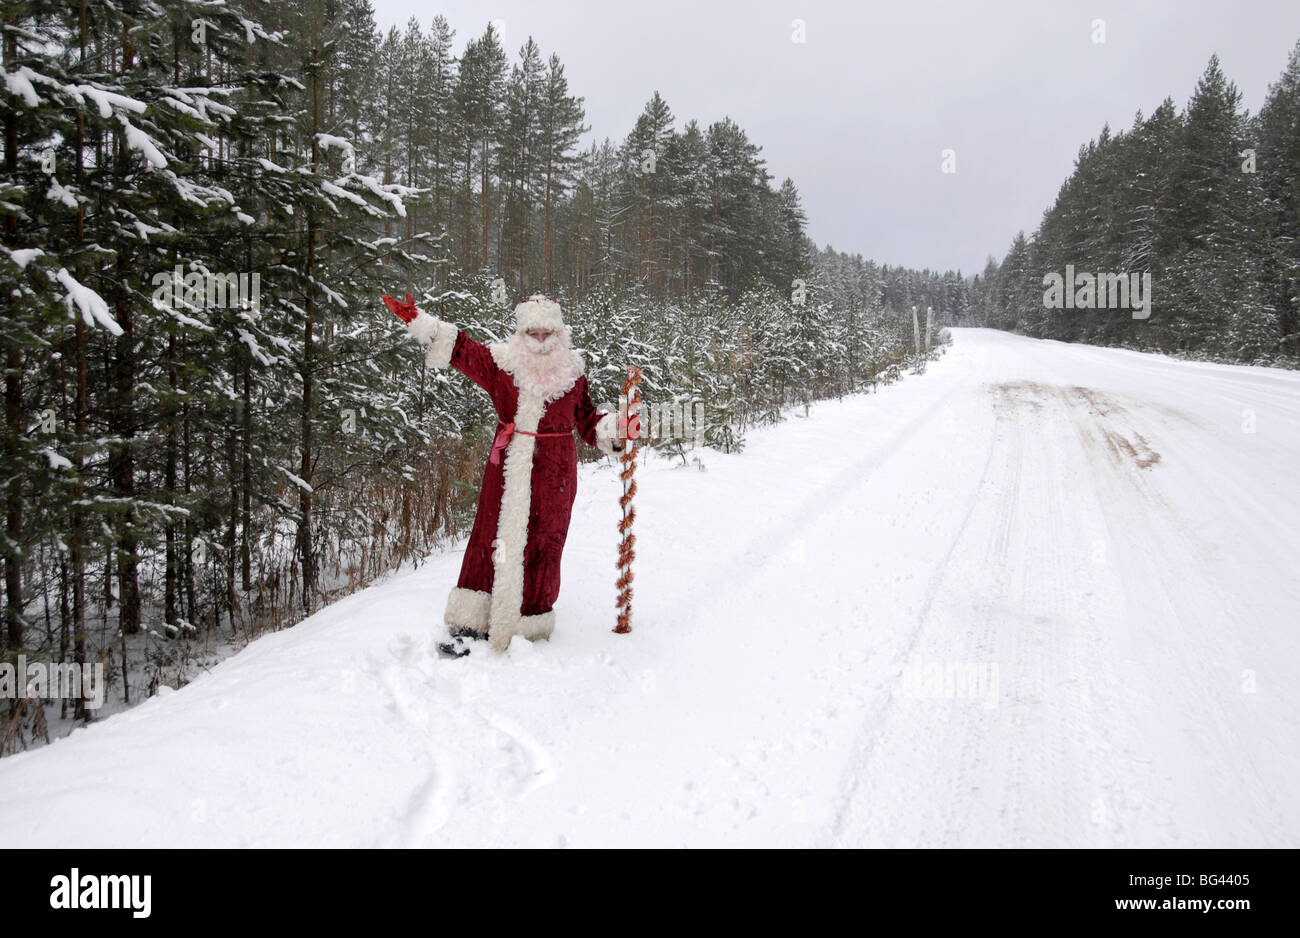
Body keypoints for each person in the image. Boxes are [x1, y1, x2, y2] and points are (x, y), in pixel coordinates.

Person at [383, 292, 622, 656]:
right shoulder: (502, 363)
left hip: (556, 474)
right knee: (491, 536)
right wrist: (422, 323)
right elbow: (462, 349)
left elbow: (588, 420)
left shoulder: (573, 371)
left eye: (548, 334)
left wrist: (617, 429)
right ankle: (471, 621)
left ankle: (531, 619)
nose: (541, 342)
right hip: (510, 466)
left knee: (546, 540)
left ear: (559, 333)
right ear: (521, 333)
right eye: (533, 334)